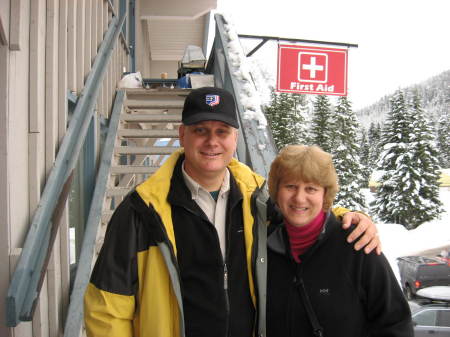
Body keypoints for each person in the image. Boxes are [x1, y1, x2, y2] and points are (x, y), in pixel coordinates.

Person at [84, 87, 381, 337]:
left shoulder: (258, 198)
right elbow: (107, 308)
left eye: (221, 131)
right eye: (200, 130)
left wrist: (348, 216)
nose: (212, 141)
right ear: (182, 135)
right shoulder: (142, 211)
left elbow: (303, 213)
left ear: (234, 139)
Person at [266, 145, 413, 337]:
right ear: (277, 190)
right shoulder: (263, 247)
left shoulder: (358, 246)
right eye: (290, 186)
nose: (299, 198)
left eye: (310, 188)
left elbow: (395, 324)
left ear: (324, 194)